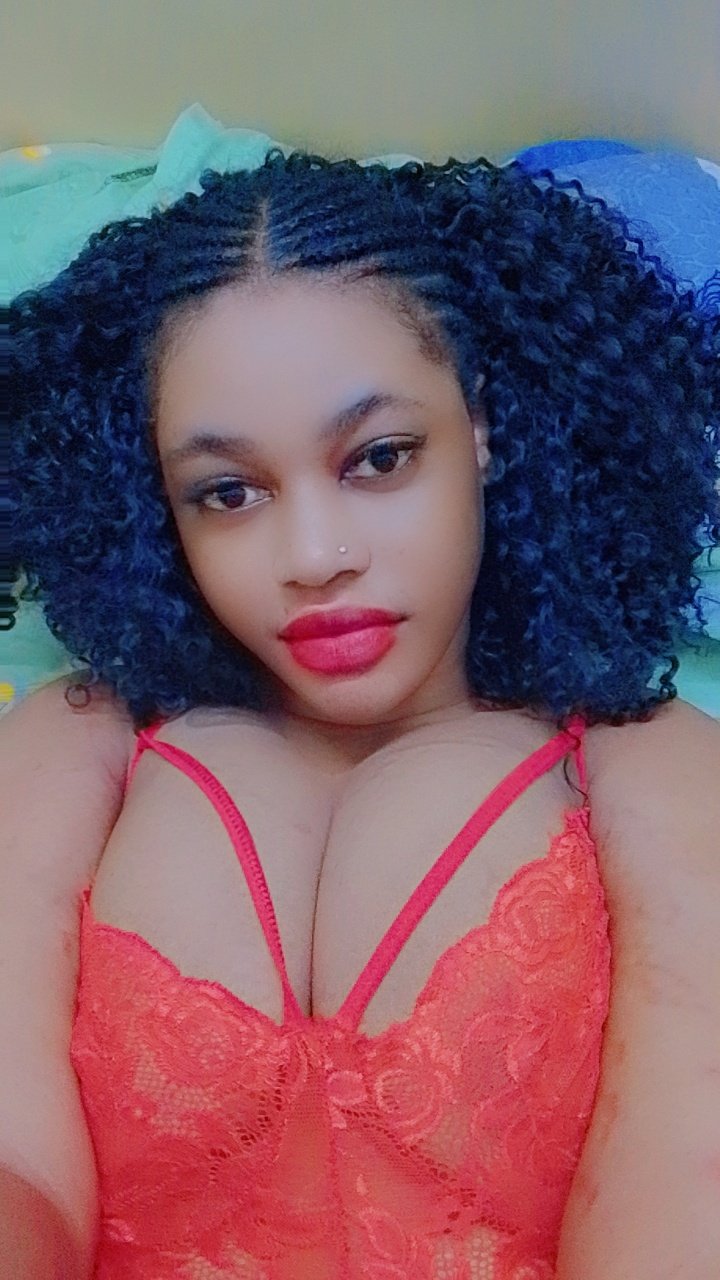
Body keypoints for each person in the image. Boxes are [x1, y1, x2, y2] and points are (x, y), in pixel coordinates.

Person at [3, 148, 719, 1279]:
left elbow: (687, 1186)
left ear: (482, 425)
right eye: (228, 492)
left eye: (380, 458)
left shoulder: (650, 760)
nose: (314, 556)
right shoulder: (77, 739)